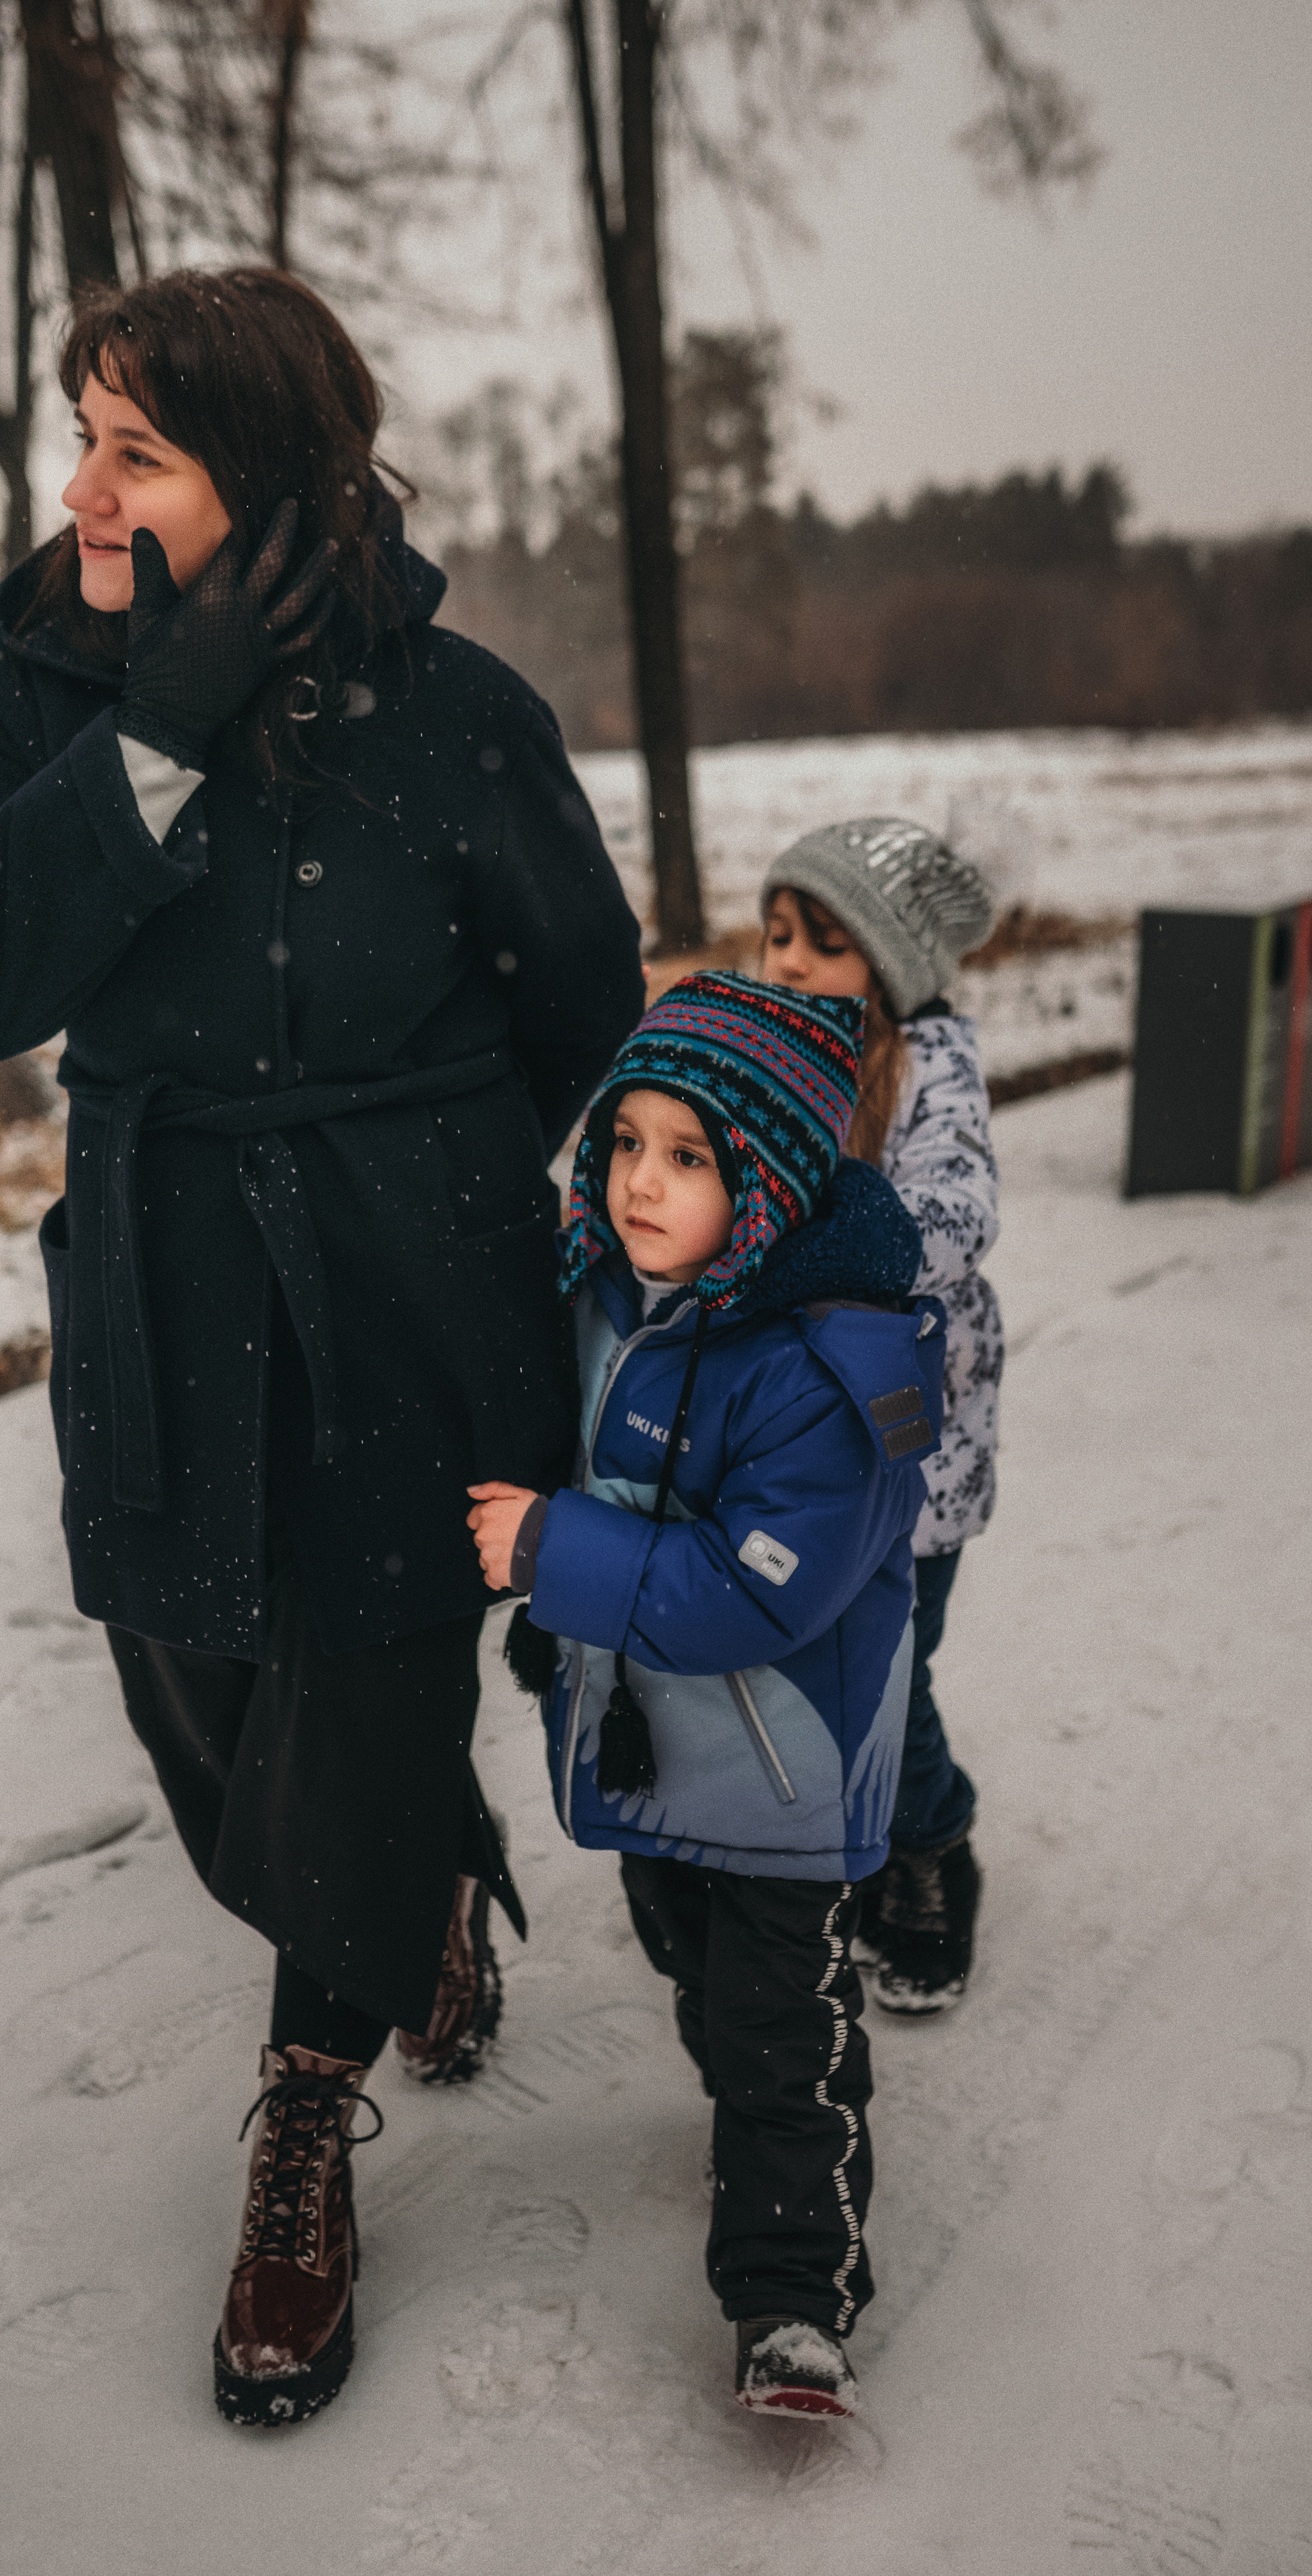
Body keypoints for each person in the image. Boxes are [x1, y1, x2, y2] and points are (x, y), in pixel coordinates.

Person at [0, 265, 644, 2428]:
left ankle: (306, 2114)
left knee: (380, 1663)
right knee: (205, 1683)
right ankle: (403, 1887)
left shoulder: (454, 703)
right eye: (82, 433)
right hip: (161, 1259)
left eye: (139, 444)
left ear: (271, 463)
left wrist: (619, 1256)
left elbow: (584, 1012)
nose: (86, 484)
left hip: (418, 1269)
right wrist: (158, 722)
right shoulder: (50, 693)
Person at [468, 972, 945, 2419]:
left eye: (686, 1157)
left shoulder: (831, 1368)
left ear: (773, 1183)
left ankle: (793, 2302)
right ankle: (753, 2124)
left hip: (783, 1768)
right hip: (663, 1761)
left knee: (778, 2035)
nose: (636, 1183)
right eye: (624, 1143)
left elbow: (761, 1592)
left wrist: (552, 1549)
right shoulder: (616, 1292)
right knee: (693, 1966)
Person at [755, 819, 1000, 2012]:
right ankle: (866, 1821)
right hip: (804, 1446)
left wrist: (842, 1251)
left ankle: (934, 1846)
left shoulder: (932, 1067)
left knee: (892, 1676)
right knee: (840, 1669)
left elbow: (958, 1210)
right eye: (781, 933)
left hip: (917, 1457)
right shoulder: (772, 1053)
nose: (790, 961)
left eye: (828, 943)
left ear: (893, 967)